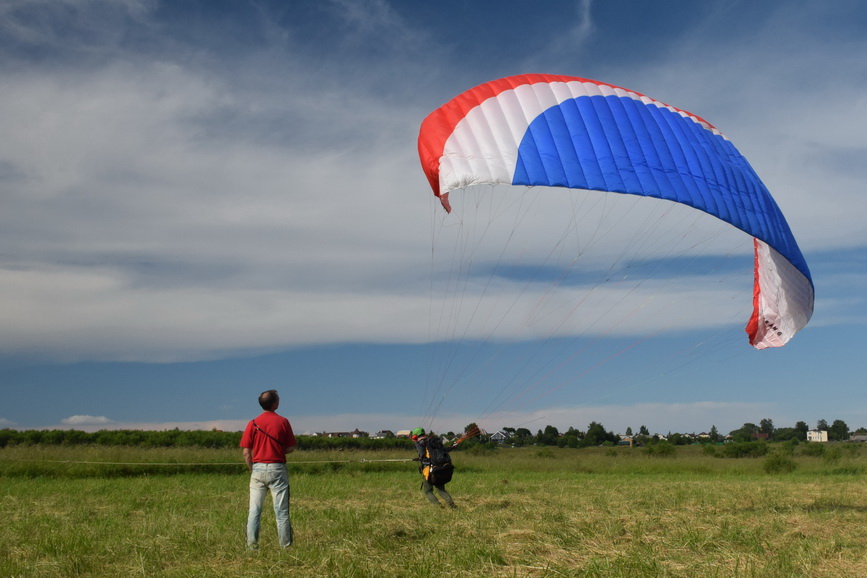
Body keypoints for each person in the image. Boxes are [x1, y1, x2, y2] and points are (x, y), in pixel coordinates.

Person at [240, 389, 297, 549]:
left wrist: (252, 469)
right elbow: (291, 447)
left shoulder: (252, 423)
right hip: (277, 467)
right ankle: (285, 546)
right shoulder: (283, 422)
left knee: (255, 510)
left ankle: (252, 546)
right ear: (274, 403)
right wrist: (279, 450)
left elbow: (246, 452)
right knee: (281, 511)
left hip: (258, 468)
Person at [411, 427, 457, 509]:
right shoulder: (433, 441)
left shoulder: (420, 443)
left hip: (429, 471)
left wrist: (420, 458)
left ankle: (439, 508)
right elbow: (444, 450)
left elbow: (422, 455)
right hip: (441, 468)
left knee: (428, 491)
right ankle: (452, 506)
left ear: (415, 435)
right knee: (441, 489)